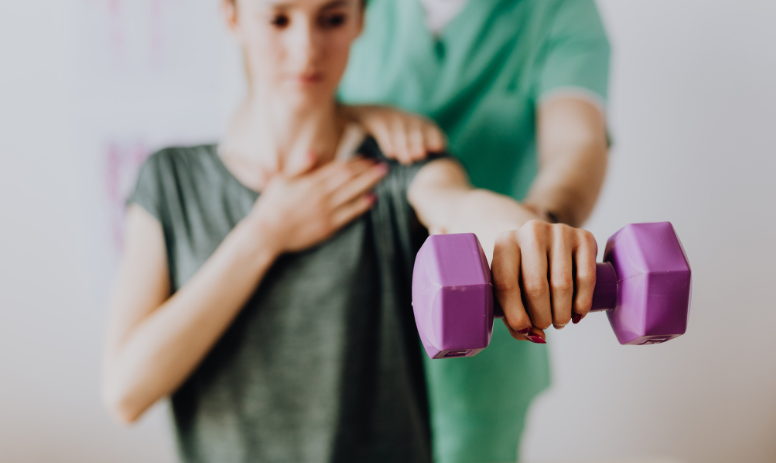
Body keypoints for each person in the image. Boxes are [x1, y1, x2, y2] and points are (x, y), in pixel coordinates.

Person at [101, 0, 601, 461]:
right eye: (278, 19)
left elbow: (461, 204)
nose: (306, 49)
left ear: (360, 18)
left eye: (332, 19)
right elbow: (126, 392)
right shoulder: (171, 180)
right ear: (232, 16)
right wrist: (265, 235)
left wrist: (531, 234)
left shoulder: (397, 171)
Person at [338, 1, 612, 462]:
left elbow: (577, 142)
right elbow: (285, 98)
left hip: (487, 345)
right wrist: (353, 115)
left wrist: (534, 232)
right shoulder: (349, 10)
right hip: (346, 329)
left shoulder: (558, 11)